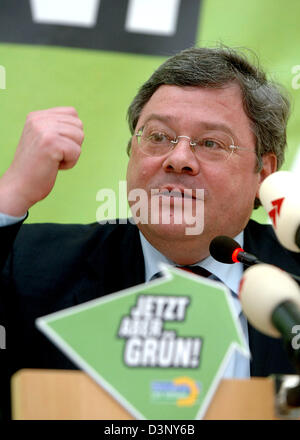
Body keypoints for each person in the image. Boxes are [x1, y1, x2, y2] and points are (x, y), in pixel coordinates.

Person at [0, 46, 299, 420]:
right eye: (158, 137)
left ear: (265, 174)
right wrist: (9, 195)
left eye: (210, 143)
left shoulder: (293, 282)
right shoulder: (31, 263)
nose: (178, 159)